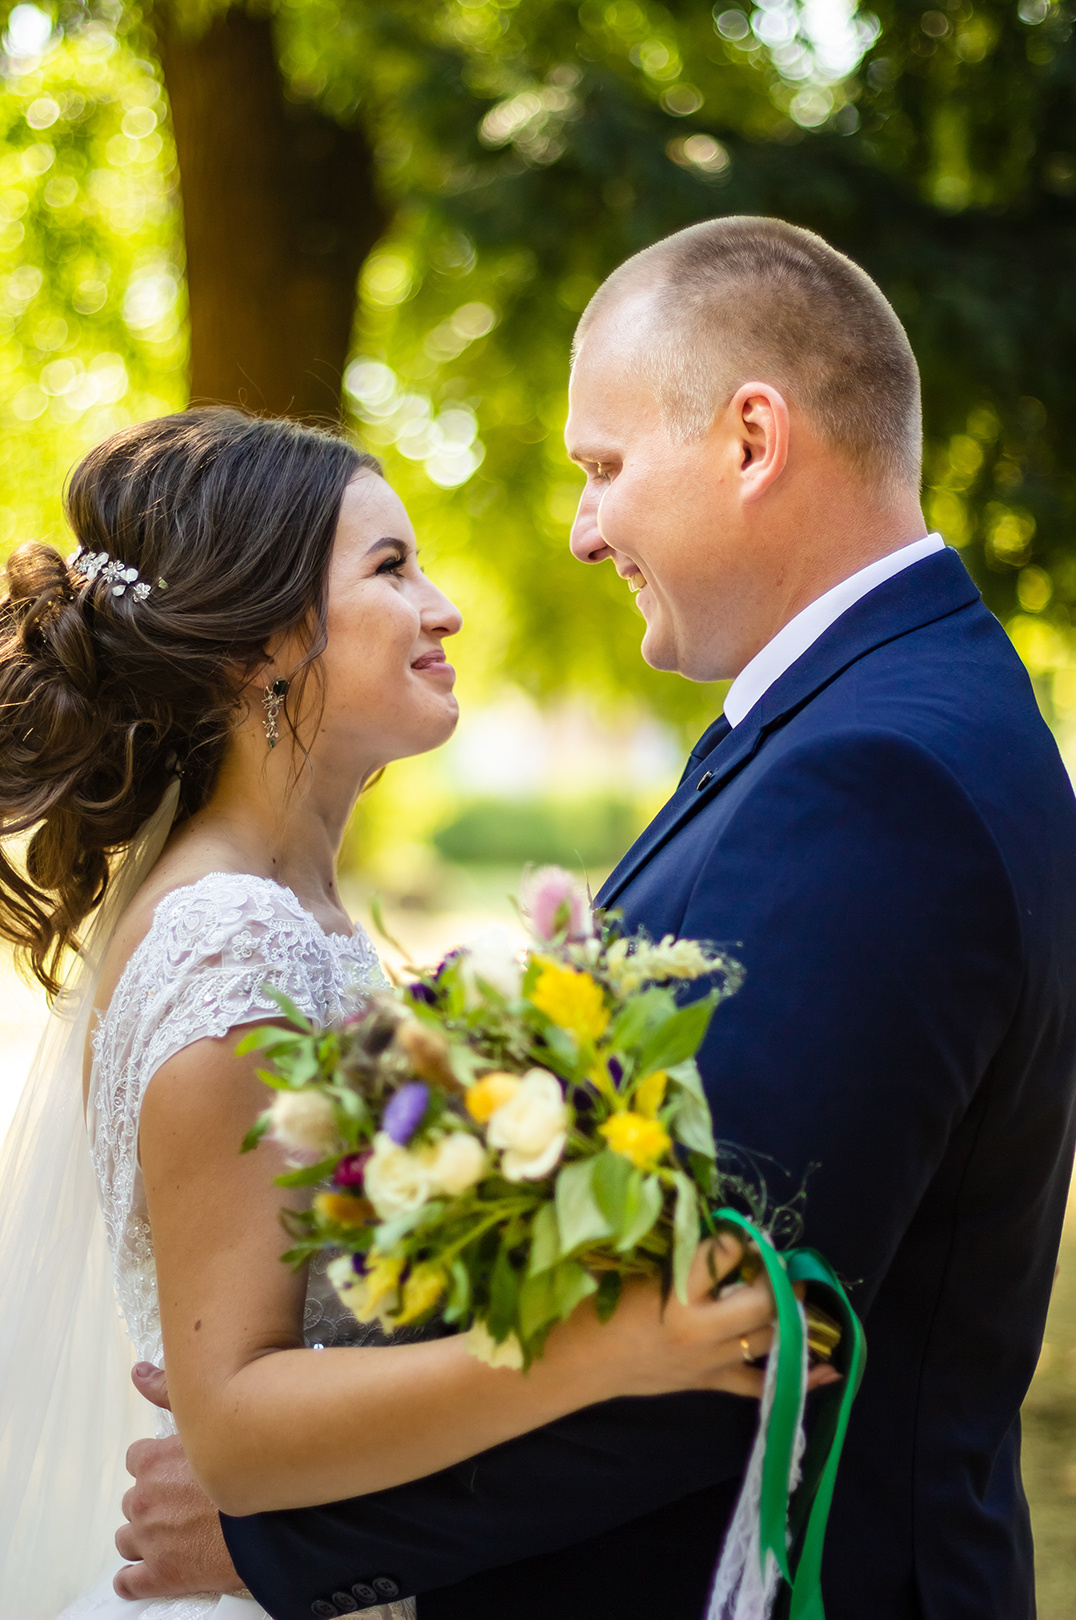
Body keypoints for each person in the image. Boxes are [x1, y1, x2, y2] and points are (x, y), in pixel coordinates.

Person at [115, 216, 1076, 1619]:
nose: (580, 529)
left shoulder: (879, 776)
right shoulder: (860, 725)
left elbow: (726, 1337)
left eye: (604, 469)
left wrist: (281, 1535)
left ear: (754, 441)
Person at [0, 407, 781, 1620]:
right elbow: (237, 1426)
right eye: (390, 567)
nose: (445, 607)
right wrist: (605, 1348)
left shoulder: (292, 913)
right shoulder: (227, 941)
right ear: (263, 647)